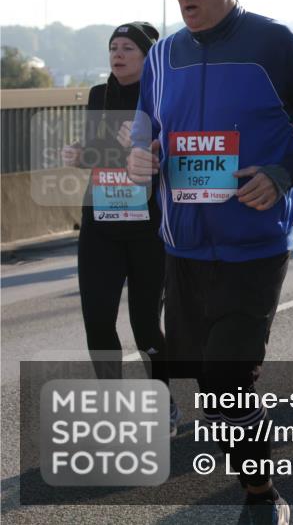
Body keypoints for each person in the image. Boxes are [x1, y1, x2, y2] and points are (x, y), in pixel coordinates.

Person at [127, 0, 293, 525]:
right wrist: (142, 153)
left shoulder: (274, 43)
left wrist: (284, 173)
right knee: (212, 389)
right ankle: (254, 468)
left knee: (228, 377)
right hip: (183, 247)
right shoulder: (162, 55)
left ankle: (262, 495)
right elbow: (146, 127)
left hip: (254, 242)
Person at [61, 22, 181, 433]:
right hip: (101, 223)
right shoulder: (100, 95)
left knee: (145, 327)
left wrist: (144, 147)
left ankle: (162, 401)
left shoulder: (164, 95)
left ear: (148, 56)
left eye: (129, 47)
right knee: (97, 322)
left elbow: (173, 155)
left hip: (147, 227)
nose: (118, 53)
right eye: (114, 46)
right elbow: (96, 151)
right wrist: (80, 153)